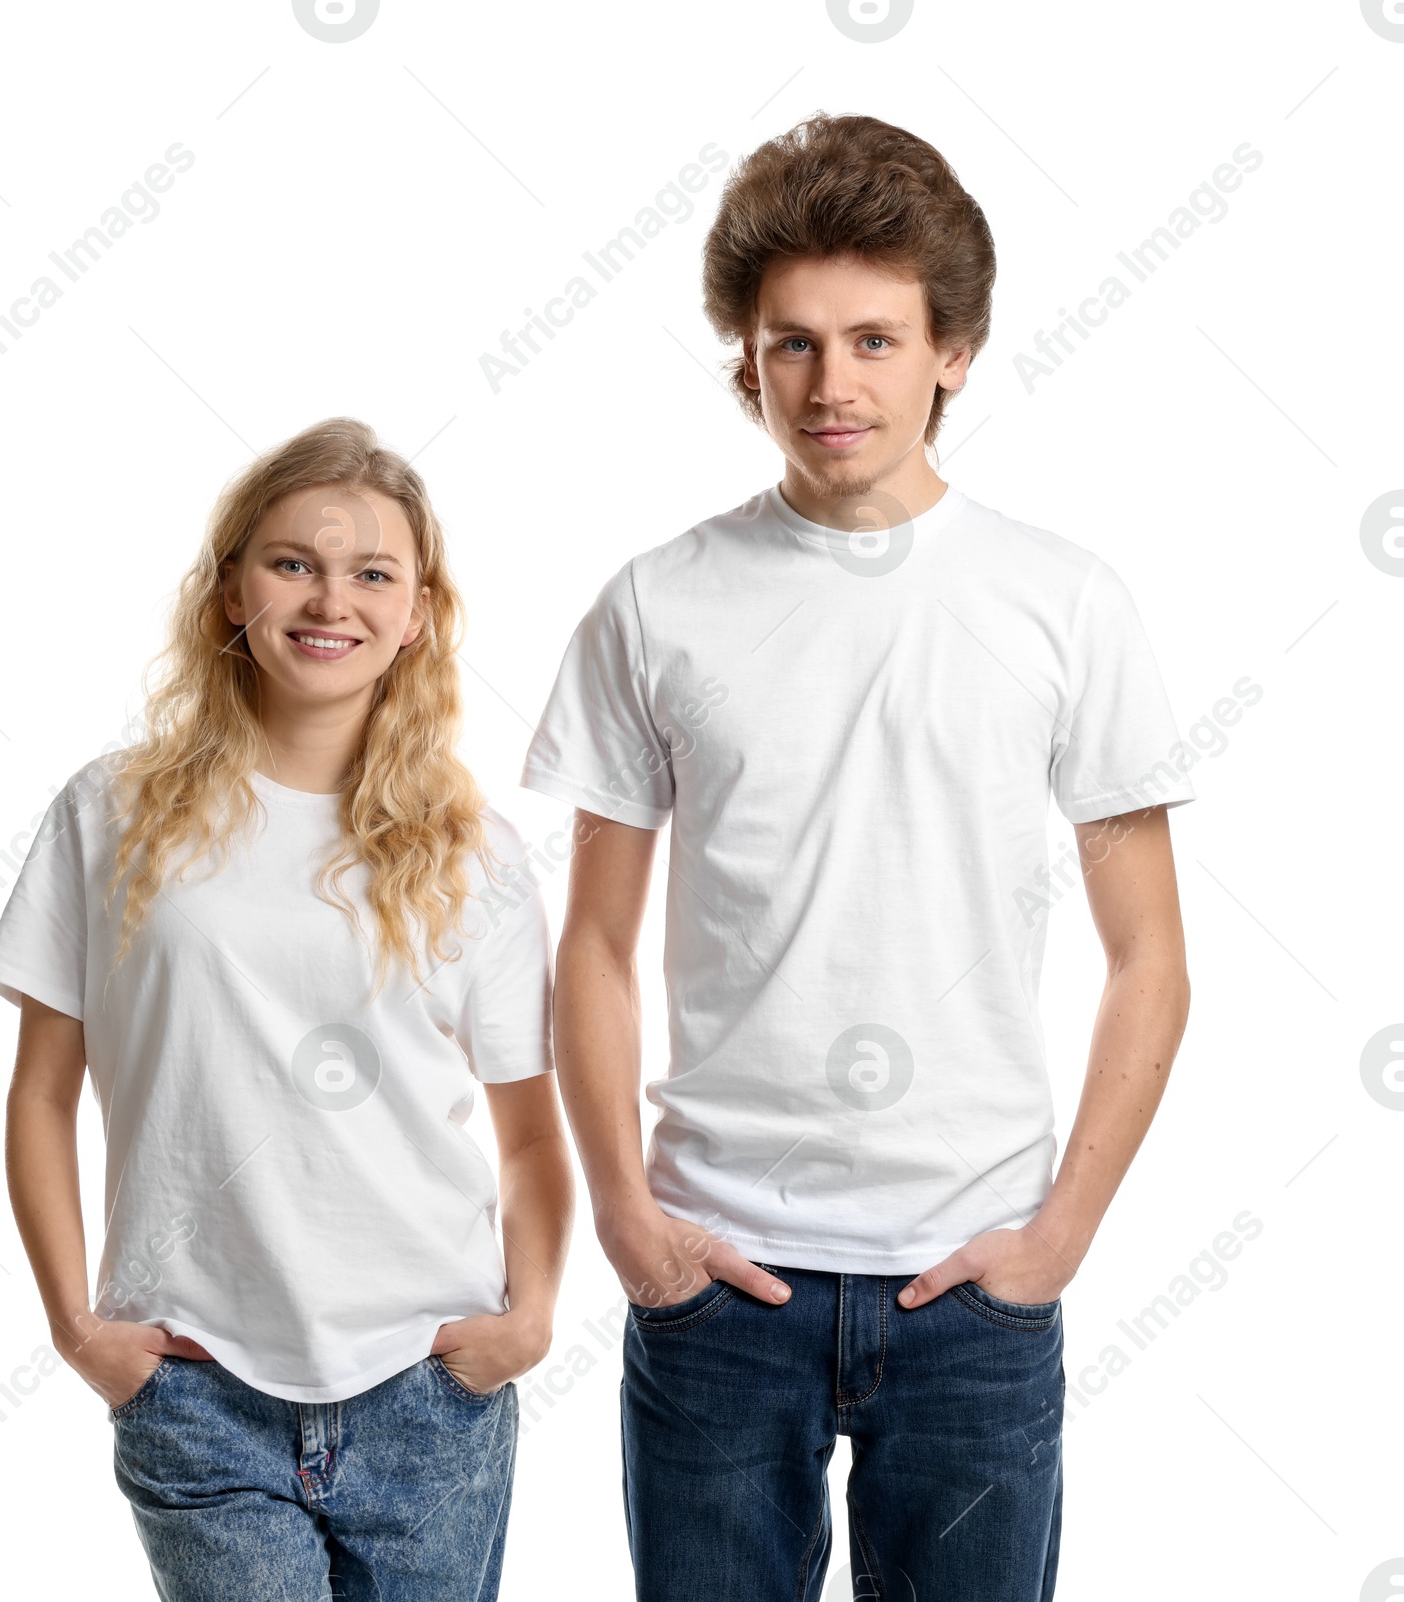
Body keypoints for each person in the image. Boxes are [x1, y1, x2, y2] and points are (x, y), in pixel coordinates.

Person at [521, 114, 1192, 1601]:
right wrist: (629, 1217)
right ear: (746, 360)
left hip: (973, 1287)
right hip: (720, 1280)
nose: (833, 386)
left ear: (952, 351)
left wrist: (1060, 1231)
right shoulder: (656, 605)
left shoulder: (1063, 603)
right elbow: (592, 943)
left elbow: (1150, 954)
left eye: (877, 340)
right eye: (794, 344)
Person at [0, 417, 572, 1601]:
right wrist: (77, 1329)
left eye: (371, 572)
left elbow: (529, 1132)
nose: (328, 598)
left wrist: (533, 1317)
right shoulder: (112, 815)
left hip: (428, 1392)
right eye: (293, 561)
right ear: (230, 595)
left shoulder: (477, 857)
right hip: (197, 1388)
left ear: (416, 614)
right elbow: (42, 1095)